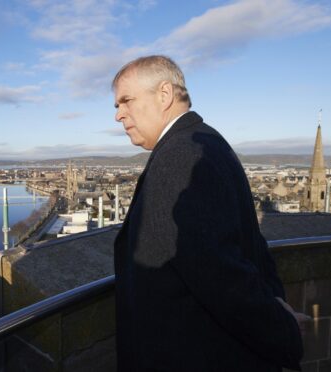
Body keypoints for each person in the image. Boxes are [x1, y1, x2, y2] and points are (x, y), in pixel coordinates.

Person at [112, 55, 306, 371]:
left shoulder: (179, 159)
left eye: (126, 101)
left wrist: (282, 330)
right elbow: (249, 246)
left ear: (164, 95)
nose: (118, 115)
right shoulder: (205, 141)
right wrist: (276, 305)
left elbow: (220, 277)